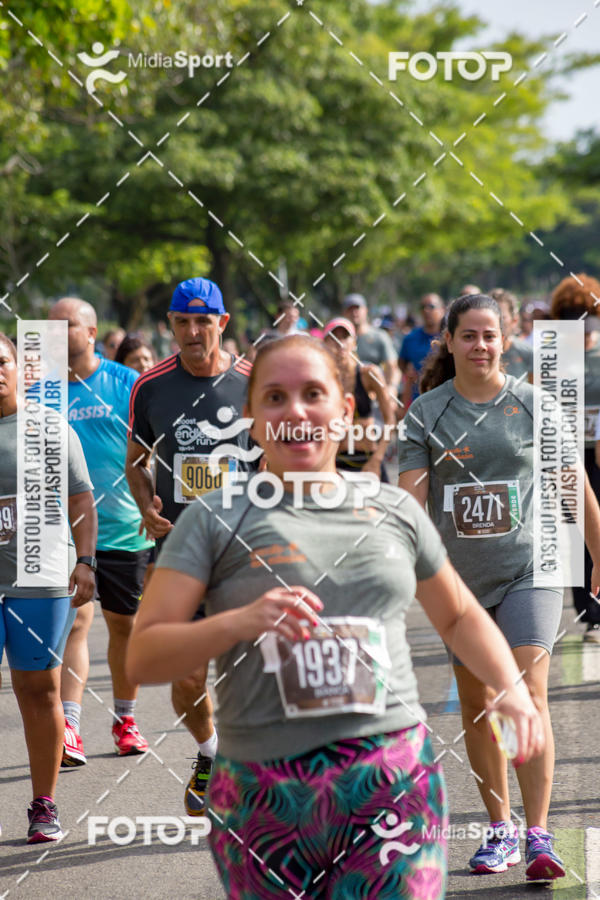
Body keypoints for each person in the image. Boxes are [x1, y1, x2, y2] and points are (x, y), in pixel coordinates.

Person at [126, 334, 543, 900]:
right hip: (262, 793)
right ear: (252, 420)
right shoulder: (211, 518)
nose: (295, 410)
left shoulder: (391, 508)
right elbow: (145, 655)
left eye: (313, 393)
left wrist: (511, 690)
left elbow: (460, 616)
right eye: (274, 397)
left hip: (390, 782)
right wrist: (242, 621)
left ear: (344, 412)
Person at [398, 293, 600, 881]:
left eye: (490, 335)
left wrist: (599, 553)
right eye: (469, 336)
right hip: (459, 584)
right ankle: (500, 828)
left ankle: (539, 832)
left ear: (506, 340)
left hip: (529, 570)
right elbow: (411, 502)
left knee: (526, 690)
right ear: (451, 342)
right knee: (480, 704)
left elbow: (572, 484)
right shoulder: (425, 413)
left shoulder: (536, 405)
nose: (480, 345)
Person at [126, 276, 259, 816]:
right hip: (179, 556)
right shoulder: (151, 386)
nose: (193, 331)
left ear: (222, 323)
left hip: (246, 553)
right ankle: (210, 754)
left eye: (204, 321)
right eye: (183, 322)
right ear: (171, 326)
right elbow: (136, 460)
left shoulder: (253, 381)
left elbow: (278, 457)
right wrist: (145, 505)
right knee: (185, 678)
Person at [0, 332, 97, 841]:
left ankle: (44, 804)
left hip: (38, 573)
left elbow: (81, 501)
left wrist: (85, 562)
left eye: (2, 362)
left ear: (19, 367)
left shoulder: (48, 426)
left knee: (38, 689)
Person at [48, 298, 154, 763]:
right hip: (59, 532)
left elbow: (151, 448)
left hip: (122, 527)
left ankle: (125, 719)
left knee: (123, 627)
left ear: (91, 333)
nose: (53, 332)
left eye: (65, 325)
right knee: (75, 622)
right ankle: (69, 727)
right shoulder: (40, 389)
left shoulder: (126, 383)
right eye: (48, 326)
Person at [550, 273, 600, 642]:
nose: (581, 323)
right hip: (566, 454)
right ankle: (589, 610)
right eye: (571, 315)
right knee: (575, 530)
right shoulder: (554, 354)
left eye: (585, 314)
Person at [322, 317, 395, 479]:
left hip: (368, 460)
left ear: (354, 343)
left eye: (345, 337)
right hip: (336, 463)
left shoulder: (368, 373)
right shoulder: (322, 378)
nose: (339, 343)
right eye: (333, 338)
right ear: (325, 344)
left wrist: (377, 458)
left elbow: (390, 420)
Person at [343, 293, 400, 391]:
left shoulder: (380, 336)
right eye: (350, 309)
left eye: (357, 308)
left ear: (366, 310)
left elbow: (393, 366)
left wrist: (391, 388)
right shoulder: (340, 339)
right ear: (344, 313)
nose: (354, 312)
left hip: (375, 394)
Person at [399, 293, 445, 408]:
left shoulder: (451, 337)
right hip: (418, 401)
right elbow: (401, 363)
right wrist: (408, 372)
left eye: (431, 306)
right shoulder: (410, 338)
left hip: (446, 399)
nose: (426, 310)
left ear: (442, 309)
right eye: (423, 307)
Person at [490, 288, 533, 382]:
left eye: (502, 317)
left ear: (514, 321)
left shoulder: (527, 352)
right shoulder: (476, 354)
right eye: (491, 316)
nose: (495, 322)